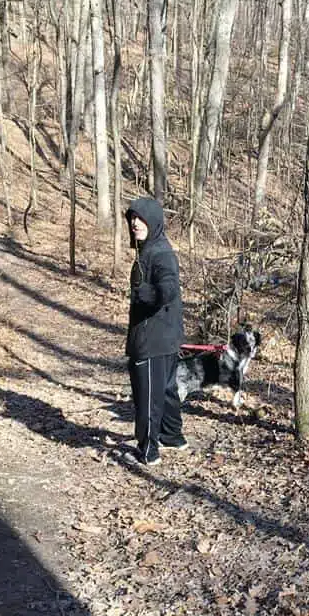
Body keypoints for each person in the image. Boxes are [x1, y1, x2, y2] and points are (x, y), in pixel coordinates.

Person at [123, 197, 187, 465]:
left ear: (155, 220)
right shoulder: (151, 249)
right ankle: (172, 437)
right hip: (166, 335)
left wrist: (145, 294)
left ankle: (148, 451)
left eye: (141, 218)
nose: (135, 223)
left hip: (152, 338)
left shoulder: (159, 253)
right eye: (132, 218)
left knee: (148, 394)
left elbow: (168, 287)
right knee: (167, 388)